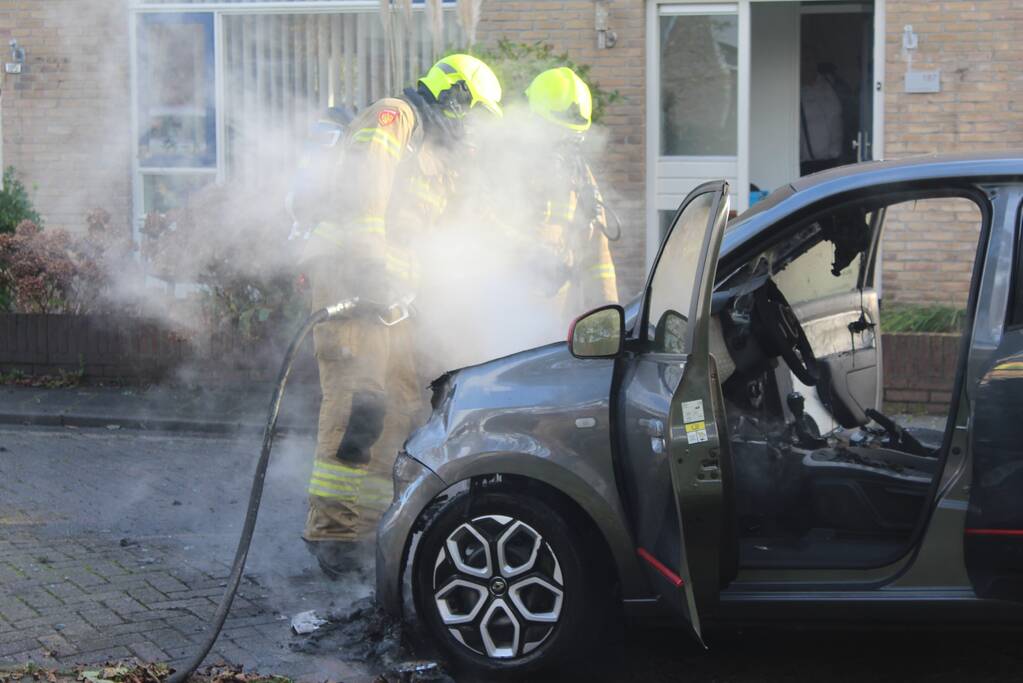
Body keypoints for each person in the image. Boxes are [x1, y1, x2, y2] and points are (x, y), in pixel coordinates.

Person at [300, 54, 502, 577]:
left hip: (395, 302)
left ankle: (373, 523)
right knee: (358, 403)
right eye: (473, 114)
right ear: (455, 97)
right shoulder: (394, 120)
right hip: (353, 287)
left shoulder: (436, 156)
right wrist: (372, 271)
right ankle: (335, 534)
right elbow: (362, 202)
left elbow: (441, 237)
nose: (472, 130)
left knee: (403, 405)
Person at [523, 66, 618, 318]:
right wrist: (528, 251)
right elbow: (475, 229)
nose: (562, 146)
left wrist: (609, 318)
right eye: (556, 134)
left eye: (571, 138)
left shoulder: (579, 175)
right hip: (502, 312)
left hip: (555, 321)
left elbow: (598, 255)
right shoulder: (504, 166)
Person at [800, 52, 845, 176]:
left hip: (834, 160)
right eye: (804, 60)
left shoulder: (830, 84)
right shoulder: (796, 90)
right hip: (808, 163)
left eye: (810, 60)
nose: (807, 64)